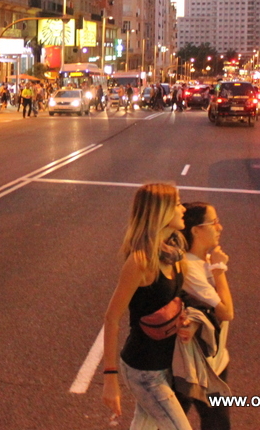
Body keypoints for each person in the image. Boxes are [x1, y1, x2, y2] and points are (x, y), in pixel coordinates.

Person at [102, 183, 195, 430]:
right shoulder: (141, 262)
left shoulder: (176, 254)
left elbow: (173, 300)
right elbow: (111, 318)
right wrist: (110, 379)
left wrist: (184, 320)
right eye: (177, 204)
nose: (183, 209)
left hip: (166, 363)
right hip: (143, 369)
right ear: (161, 212)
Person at [180, 202, 234, 430]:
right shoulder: (189, 268)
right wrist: (219, 270)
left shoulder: (203, 263)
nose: (219, 227)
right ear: (196, 230)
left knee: (218, 424)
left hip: (215, 362)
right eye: (213, 222)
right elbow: (226, 312)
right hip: (191, 367)